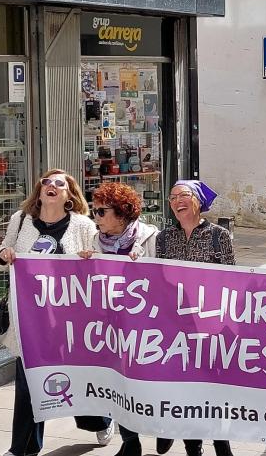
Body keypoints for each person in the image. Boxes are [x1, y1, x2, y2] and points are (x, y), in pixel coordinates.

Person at [0, 169, 113, 456]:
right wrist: (4, 255)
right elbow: (2, 252)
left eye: (58, 183)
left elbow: (99, 266)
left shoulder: (83, 225)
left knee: (76, 380)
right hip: (30, 320)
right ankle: (22, 448)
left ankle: (100, 420)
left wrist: (90, 258)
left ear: (69, 194)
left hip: (69, 322)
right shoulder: (21, 220)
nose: (50, 186)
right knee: (27, 382)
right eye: (46, 182)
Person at [155, 181, 235, 456]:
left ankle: (222, 445)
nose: (178, 201)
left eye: (184, 196)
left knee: (212, 391)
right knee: (186, 391)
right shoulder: (164, 238)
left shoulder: (218, 235)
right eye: (172, 196)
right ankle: (192, 447)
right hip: (178, 328)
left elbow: (230, 281)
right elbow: (159, 281)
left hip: (211, 327)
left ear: (198, 201)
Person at [84, 184, 160, 456]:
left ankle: (164, 429)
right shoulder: (93, 242)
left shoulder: (151, 238)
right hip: (110, 326)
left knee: (146, 384)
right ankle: (130, 441)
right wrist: (83, 263)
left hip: (146, 327)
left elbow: (166, 279)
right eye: (95, 211)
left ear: (122, 213)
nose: (96, 217)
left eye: (102, 211)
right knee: (119, 383)